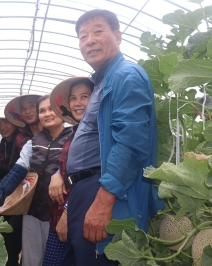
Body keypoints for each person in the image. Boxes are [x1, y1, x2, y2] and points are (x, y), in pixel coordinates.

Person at [60, 9, 165, 265]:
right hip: (86, 190)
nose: (90, 40)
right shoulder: (104, 81)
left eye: (98, 31)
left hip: (105, 192)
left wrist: (103, 202)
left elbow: (130, 142)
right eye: (83, 36)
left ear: (118, 36)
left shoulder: (125, 75)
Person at [0, 95, 72, 266]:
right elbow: (17, 171)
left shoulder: (73, 138)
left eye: (51, 109)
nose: (47, 114)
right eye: (42, 111)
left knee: (56, 260)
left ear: (61, 110)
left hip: (60, 212)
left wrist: (60, 173)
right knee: (31, 260)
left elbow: (78, 171)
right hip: (33, 212)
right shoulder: (34, 142)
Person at [43, 77, 94, 266]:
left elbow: (88, 178)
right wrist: (56, 173)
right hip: (60, 215)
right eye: (73, 98)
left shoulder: (97, 133)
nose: (77, 103)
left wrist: (67, 212)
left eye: (84, 96)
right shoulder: (76, 132)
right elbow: (68, 168)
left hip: (76, 215)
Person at [0, 109, 31, 266]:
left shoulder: (22, 140)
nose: (2, 127)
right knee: (1, 233)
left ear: (16, 122)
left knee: (11, 238)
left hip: (26, 196)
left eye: (6, 122)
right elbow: (8, 174)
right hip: (12, 193)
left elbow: (20, 173)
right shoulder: (3, 144)